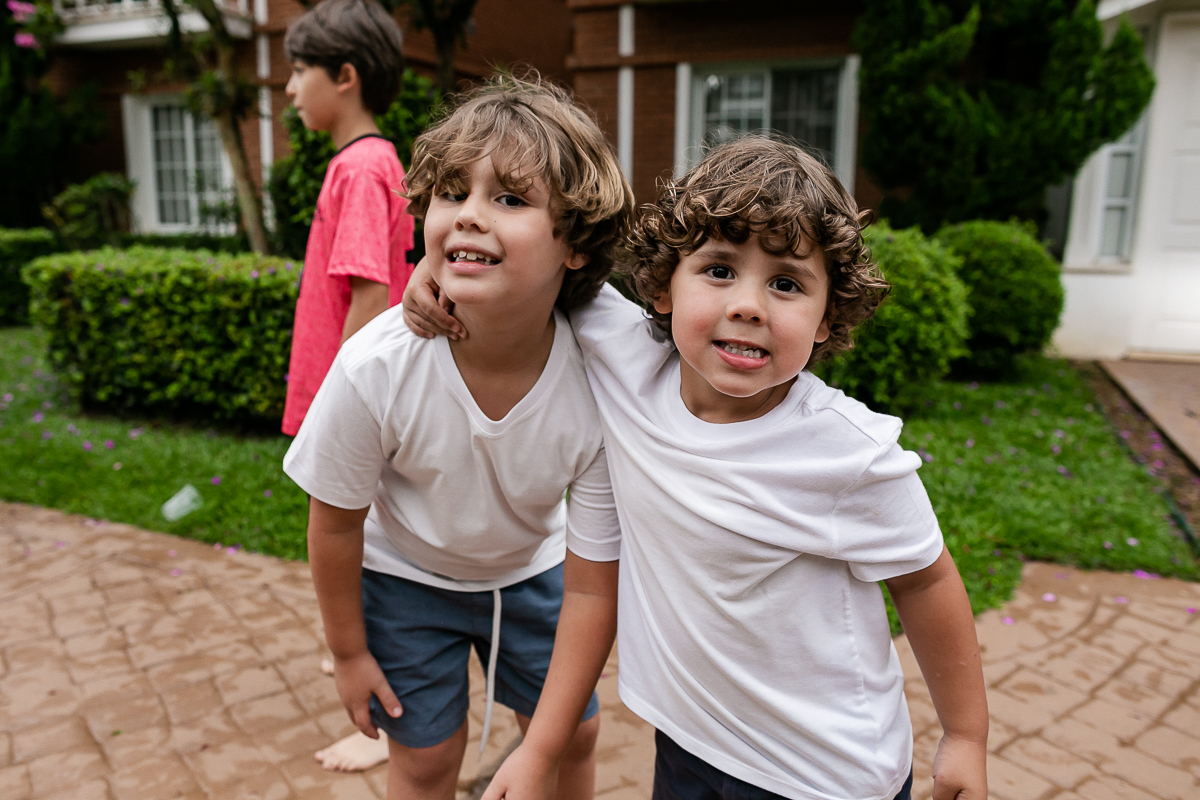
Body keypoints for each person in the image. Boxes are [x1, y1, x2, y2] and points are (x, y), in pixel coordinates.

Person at [403, 137, 990, 800]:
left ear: (827, 317)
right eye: (718, 270)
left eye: (787, 284)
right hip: (687, 743)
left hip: (822, 774)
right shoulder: (626, 359)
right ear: (661, 288)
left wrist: (965, 736)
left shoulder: (849, 454)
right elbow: (528, 270)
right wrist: (434, 269)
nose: (748, 304)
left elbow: (925, 581)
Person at [283, 73, 634, 800]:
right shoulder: (377, 366)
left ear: (575, 243)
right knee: (428, 758)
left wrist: (538, 753)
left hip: (533, 573)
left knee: (574, 734)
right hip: (404, 577)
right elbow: (336, 522)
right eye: (452, 193)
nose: (470, 216)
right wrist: (348, 653)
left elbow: (597, 583)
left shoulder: (608, 367)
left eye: (509, 198)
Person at [280, 0, 414, 438]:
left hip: (351, 404)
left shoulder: (361, 168)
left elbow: (371, 297)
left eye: (300, 70)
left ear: (344, 77)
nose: (289, 88)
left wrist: (338, 406)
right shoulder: (372, 161)